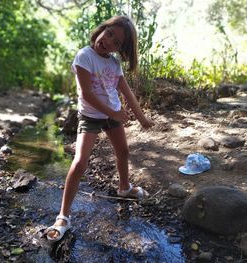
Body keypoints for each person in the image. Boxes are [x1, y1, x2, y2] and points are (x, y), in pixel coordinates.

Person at [46, 15, 154, 241]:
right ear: (102, 29)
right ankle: (63, 215)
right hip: (91, 115)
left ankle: (124, 187)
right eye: (110, 33)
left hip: (111, 115)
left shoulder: (114, 64)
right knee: (79, 162)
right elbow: (87, 94)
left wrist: (142, 118)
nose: (109, 41)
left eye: (116, 43)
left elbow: (126, 92)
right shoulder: (85, 56)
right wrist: (114, 112)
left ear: (120, 50)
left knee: (123, 152)